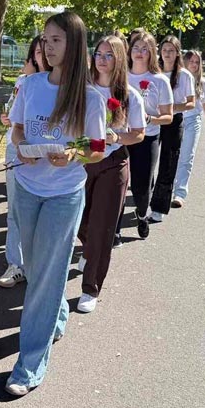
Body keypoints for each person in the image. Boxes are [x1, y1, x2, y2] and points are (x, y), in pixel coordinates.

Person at [6, 11, 106, 396]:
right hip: (26, 187)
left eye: (56, 40)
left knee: (46, 278)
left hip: (64, 195)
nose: (47, 47)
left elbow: (97, 148)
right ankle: (57, 311)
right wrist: (20, 147)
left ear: (74, 44)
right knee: (35, 269)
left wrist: (74, 154)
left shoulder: (90, 96)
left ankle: (29, 364)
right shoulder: (31, 85)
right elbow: (17, 128)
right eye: (45, 40)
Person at [75, 35, 145, 313]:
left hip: (113, 163)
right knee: (79, 221)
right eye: (98, 54)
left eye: (108, 55)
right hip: (81, 160)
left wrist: (116, 137)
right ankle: (89, 248)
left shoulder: (128, 95)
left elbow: (138, 134)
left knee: (102, 228)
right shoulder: (83, 88)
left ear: (119, 59)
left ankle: (90, 287)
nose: (102, 60)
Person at [0, 35, 46, 289]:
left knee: (41, 214)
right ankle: (15, 264)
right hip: (15, 149)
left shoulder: (63, 85)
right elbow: (15, 115)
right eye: (37, 51)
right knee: (15, 210)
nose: (42, 55)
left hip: (47, 156)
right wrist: (8, 119)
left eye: (46, 49)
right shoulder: (23, 82)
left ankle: (37, 264)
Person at [118, 29, 173, 241]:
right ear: (130, 51)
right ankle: (115, 229)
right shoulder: (120, 76)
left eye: (145, 49)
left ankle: (142, 214)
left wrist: (149, 119)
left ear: (152, 53)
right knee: (118, 184)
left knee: (141, 188)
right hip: (121, 137)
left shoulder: (159, 80)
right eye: (136, 48)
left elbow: (168, 117)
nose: (139, 52)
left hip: (147, 137)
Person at [149, 35, 195, 223]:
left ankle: (158, 208)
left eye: (171, 50)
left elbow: (191, 103)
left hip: (174, 121)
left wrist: (174, 106)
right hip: (154, 120)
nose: (167, 54)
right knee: (148, 161)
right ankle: (144, 198)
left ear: (177, 53)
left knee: (168, 163)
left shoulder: (184, 75)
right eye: (164, 50)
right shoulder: (154, 72)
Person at [172, 50, 205, 207]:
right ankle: (165, 187)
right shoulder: (176, 79)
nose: (194, 64)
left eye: (197, 62)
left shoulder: (202, 84)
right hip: (175, 121)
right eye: (191, 61)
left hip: (193, 122)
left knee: (187, 157)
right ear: (184, 62)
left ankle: (179, 193)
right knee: (172, 156)